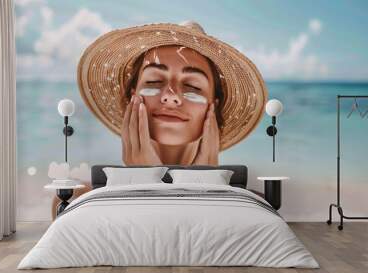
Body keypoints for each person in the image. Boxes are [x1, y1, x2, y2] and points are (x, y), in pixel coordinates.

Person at [78, 21, 268, 166]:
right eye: (154, 81)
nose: (170, 95)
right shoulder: (73, 198)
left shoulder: (245, 210)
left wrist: (204, 184)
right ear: (132, 97)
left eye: (192, 86)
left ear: (214, 105)